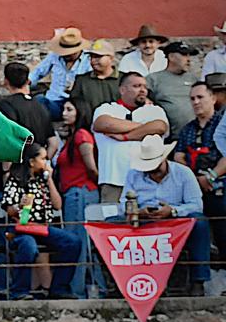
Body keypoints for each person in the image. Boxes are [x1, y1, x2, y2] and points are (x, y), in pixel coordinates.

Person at [121, 136, 212, 296]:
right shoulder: (133, 175)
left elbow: (196, 205)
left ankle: (198, 280)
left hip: (176, 224)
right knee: (112, 223)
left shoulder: (183, 173)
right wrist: (138, 212)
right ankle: (119, 282)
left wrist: (173, 211)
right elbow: (123, 203)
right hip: (144, 222)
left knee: (199, 222)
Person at [0, 142, 82, 298]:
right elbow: (9, 210)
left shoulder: (43, 180)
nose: (46, 162)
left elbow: (57, 205)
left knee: (73, 242)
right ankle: (19, 291)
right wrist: (19, 205)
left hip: (43, 228)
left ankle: (59, 288)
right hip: (22, 229)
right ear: (31, 161)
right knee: (28, 245)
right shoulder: (15, 180)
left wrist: (49, 180)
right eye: (43, 159)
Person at [92, 71, 169, 204]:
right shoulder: (106, 108)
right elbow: (103, 124)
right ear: (122, 90)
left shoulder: (155, 110)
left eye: (144, 87)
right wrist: (145, 127)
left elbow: (159, 127)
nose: (143, 90)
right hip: (114, 181)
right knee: (113, 216)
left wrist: (125, 136)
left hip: (147, 181)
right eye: (137, 86)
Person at [174, 82, 224, 264]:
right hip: (193, 187)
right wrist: (194, 180)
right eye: (192, 98)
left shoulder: (223, 125)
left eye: (200, 97)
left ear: (213, 98)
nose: (195, 102)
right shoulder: (187, 129)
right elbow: (178, 156)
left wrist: (210, 176)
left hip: (220, 186)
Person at [55, 99, 100, 296]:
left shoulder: (82, 135)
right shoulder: (72, 137)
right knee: (78, 242)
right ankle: (84, 287)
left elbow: (91, 167)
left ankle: (78, 289)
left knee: (78, 242)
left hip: (80, 192)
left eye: (69, 109)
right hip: (73, 192)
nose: (64, 113)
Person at [29, 27, 92, 119]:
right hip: (54, 101)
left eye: (69, 53)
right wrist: (25, 84)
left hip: (76, 104)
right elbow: (38, 72)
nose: (65, 55)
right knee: (37, 101)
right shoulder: (54, 56)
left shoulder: (88, 60)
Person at [0, 62, 55, 151]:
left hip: (18, 157)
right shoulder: (41, 106)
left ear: (6, 81)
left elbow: (7, 140)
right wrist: (43, 158)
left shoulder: (5, 105)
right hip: (39, 156)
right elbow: (53, 142)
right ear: (28, 81)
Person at [146, 41, 199, 137]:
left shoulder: (194, 79)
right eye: (184, 55)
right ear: (171, 57)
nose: (188, 59)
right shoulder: (153, 79)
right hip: (168, 138)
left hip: (197, 135)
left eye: (189, 55)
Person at [69, 40, 120, 114]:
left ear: (111, 58)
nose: (93, 61)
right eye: (91, 57)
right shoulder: (81, 80)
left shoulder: (124, 80)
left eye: (98, 57)